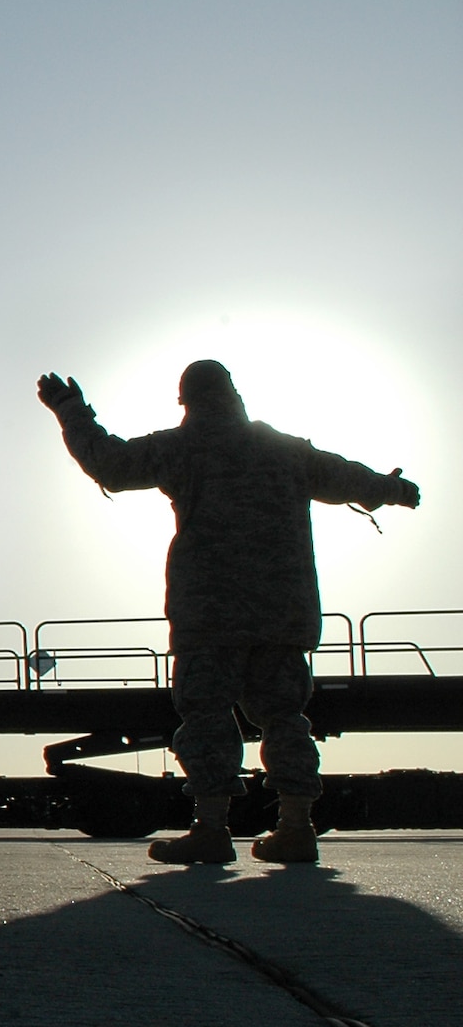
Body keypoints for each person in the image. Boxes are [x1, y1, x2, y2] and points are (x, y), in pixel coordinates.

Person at [38, 360, 420, 865]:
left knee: (208, 716)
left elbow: (110, 463)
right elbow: (348, 477)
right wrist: (395, 490)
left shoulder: (179, 446)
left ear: (185, 401)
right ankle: (296, 828)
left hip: (210, 613)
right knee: (285, 716)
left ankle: (212, 830)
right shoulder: (285, 450)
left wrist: (71, 411)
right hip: (282, 613)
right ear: (235, 394)